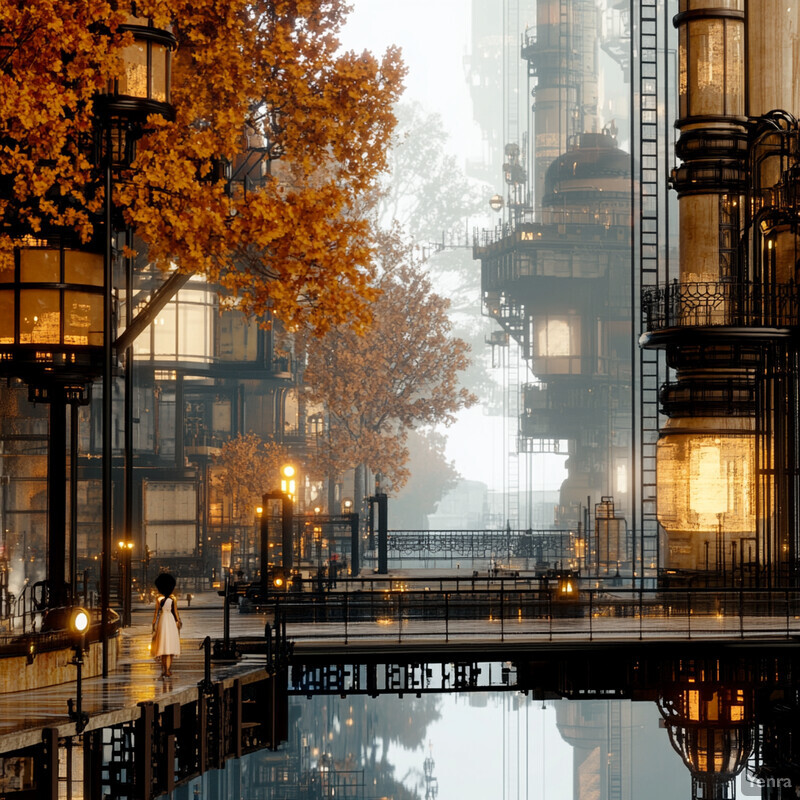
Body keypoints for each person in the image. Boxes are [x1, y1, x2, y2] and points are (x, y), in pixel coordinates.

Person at [151, 591, 182, 677]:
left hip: (162, 620)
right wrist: (178, 622)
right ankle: (168, 670)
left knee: (163, 645)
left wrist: (153, 624)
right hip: (170, 620)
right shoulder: (173, 598)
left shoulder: (159, 598)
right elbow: (175, 612)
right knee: (170, 646)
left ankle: (165, 670)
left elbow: (156, 613)